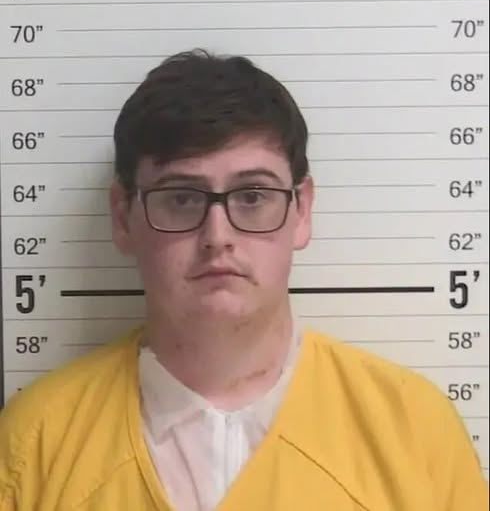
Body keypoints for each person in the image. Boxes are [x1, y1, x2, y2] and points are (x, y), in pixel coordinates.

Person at [0, 49, 487, 511]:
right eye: (181, 197)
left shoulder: (416, 430)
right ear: (123, 216)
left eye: (252, 196)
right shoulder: (33, 445)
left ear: (302, 211)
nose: (218, 236)